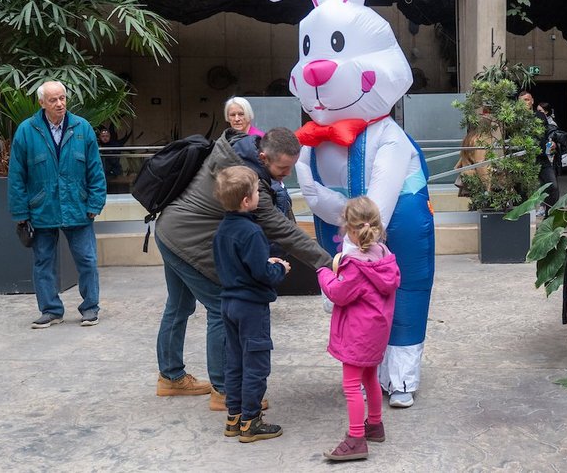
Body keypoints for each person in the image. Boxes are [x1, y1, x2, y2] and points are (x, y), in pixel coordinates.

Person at [154, 126, 331, 409]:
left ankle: (170, 377)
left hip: (169, 229)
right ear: (263, 156)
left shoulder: (239, 151)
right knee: (219, 306)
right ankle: (225, 392)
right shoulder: (248, 182)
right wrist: (328, 261)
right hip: (188, 240)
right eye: (283, 168)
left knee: (177, 306)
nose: (286, 175)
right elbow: (279, 227)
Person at [8, 80, 107, 329]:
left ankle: (90, 308)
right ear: (42, 103)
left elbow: (96, 170)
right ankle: (51, 310)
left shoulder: (82, 128)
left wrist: (95, 202)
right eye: (53, 100)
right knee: (43, 261)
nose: (60, 103)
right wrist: (20, 212)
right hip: (41, 208)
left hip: (78, 206)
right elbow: (17, 175)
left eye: (62, 98)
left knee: (87, 260)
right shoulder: (26, 131)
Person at [317, 196, 401, 462]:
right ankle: (374, 425)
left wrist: (324, 273)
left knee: (352, 386)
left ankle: (356, 439)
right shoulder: (386, 258)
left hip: (357, 334)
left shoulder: (354, 266)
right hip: (377, 333)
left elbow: (338, 294)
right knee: (370, 379)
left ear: (349, 230)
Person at [212, 165, 289, 443]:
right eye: (257, 191)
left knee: (235, 361)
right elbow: (262, 273)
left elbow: (236, 264)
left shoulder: (222, 230)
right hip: (251, 307)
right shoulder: (253, 232)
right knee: (256, 362)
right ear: (247, 201)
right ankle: (251, 421)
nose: (260, 194)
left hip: (228, 303)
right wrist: (279, 268)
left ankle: (233, 417)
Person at [519, 91, 559, 215]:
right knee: (522, 191)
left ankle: (549, 216)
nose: (525, 103)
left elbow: (547, 134)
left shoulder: (540, 116)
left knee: (553, 187)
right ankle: (523, 219)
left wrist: (552, 143)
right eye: (521, 100)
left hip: (541, 157)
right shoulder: (515, 119)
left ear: (532, 101)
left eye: (527, 100)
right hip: (523, 160)